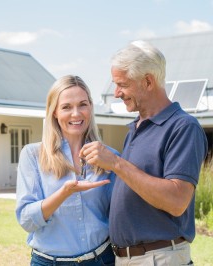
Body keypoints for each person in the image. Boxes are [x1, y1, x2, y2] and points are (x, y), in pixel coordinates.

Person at [80, 41, 208, 265]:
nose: (117, 93)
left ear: (148, 81)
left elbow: (177, 201)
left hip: (158, 258)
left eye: (122, 85)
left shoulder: (183, 127)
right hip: (130, 258)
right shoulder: (135, 128)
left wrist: (117, 163)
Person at [16, 75, 118, 265]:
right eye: (66, 107)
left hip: (101, 260)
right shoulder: (32, 155)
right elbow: (26, 220)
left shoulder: (109, 156)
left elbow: (119, 214)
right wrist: (64, 193)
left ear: (91, 107)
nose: (76, 113)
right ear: (54, 111)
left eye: (82, 104)